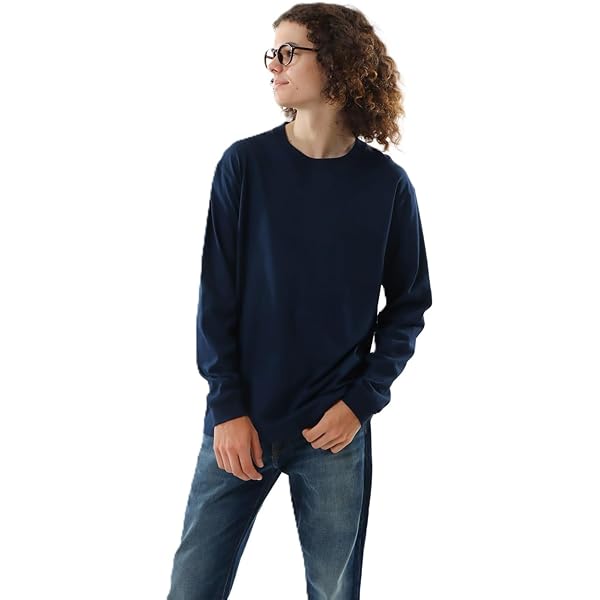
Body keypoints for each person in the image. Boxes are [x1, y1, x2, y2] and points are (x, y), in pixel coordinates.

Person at [166, 3, 433, 598]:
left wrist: (360, 403)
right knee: (192, 586)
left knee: (334, 592)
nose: (274, 66)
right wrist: (227, 408)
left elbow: (409, 304)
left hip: (333, 431)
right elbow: (217, 297)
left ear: (336, 62)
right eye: (273, 53)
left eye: (289, 52)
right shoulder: (245, 165)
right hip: (242, 423)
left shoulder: (386, 186)